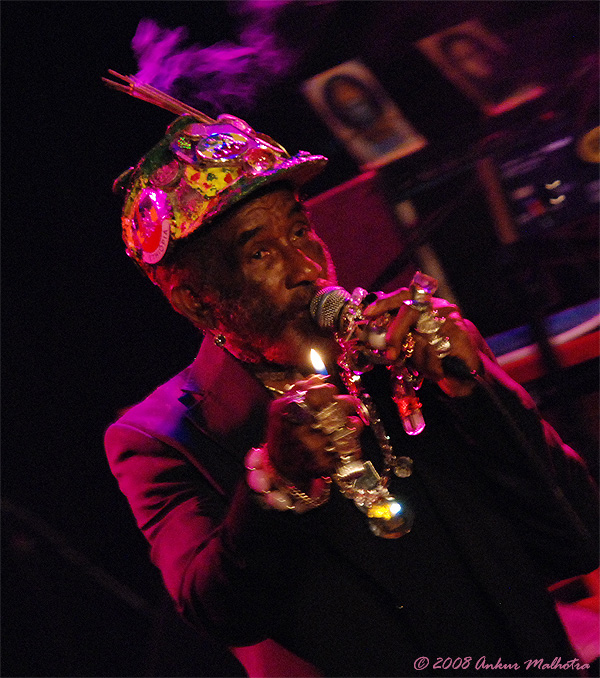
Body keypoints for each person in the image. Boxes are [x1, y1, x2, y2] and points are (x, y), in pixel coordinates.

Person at [105, 111, 598, 677]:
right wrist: (279, 484)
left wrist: (475, 389)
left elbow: (579, 538)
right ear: (195, 301)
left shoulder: (401, 355)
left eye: (298, 231)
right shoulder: (159, 438)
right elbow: (219, 611)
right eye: (260, 253)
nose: (305, 268)